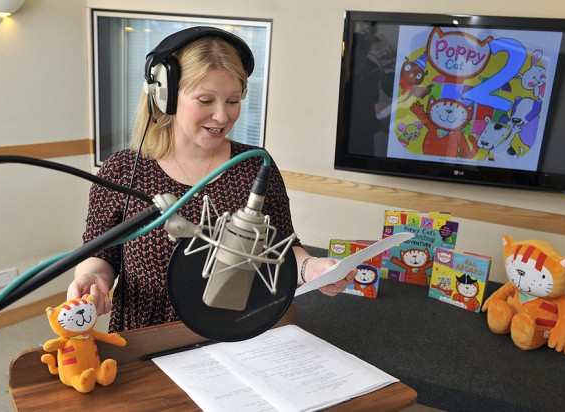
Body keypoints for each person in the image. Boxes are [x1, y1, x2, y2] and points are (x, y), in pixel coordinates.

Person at [67, 27, 355, 332]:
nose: (222, 116)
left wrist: (313, 268)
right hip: (147, 335)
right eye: (205, 100)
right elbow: (101, 256)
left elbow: (282, 250)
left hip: (237, 334)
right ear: (165, 96)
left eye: (232, 101)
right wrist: (93, 279)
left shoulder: (255, 166)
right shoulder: (123, 169)